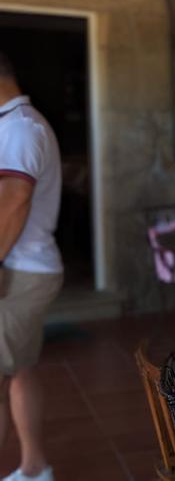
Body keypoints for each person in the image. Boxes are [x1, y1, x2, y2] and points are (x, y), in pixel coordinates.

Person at [0, 52, 64, 481]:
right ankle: (34, 468)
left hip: (21, 270)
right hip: (25, 268)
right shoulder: (17, 124)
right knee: (19, 369)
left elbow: (14, 200)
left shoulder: (20, 127)